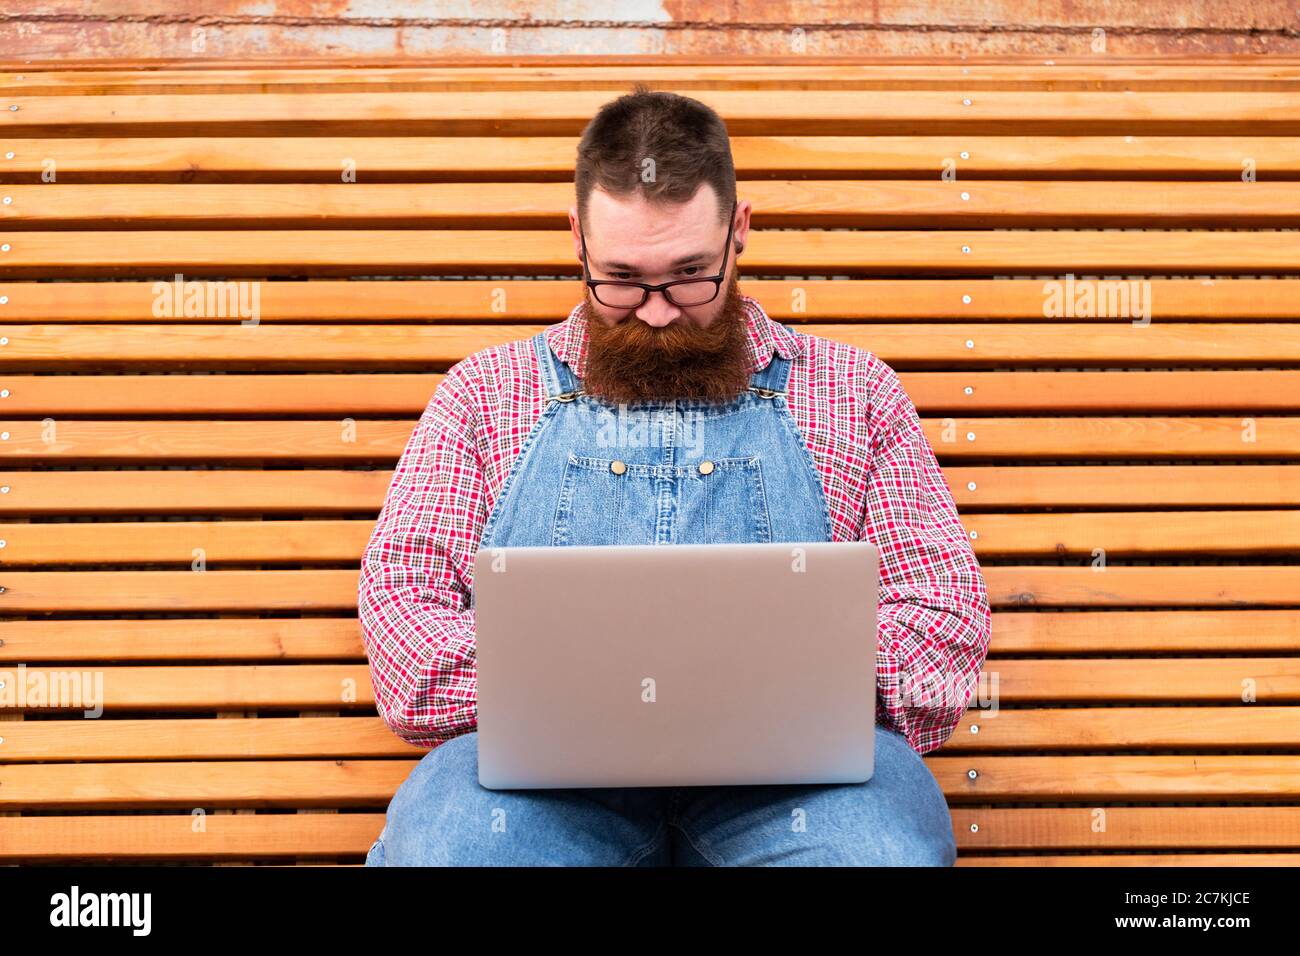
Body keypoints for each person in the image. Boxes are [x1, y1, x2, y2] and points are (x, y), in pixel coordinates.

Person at [357, 84, 992, 866]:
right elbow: (403, 625)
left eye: (690, 274)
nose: (656, 311)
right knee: (458, 853)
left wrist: (796, 691)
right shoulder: (485, 397)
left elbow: (943, 626)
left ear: (741, 232)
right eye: (621, 279)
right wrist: (588, 697)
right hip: (537, 791)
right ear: (577, 242)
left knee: (875, 855)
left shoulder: (854, 392)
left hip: (799, 787)